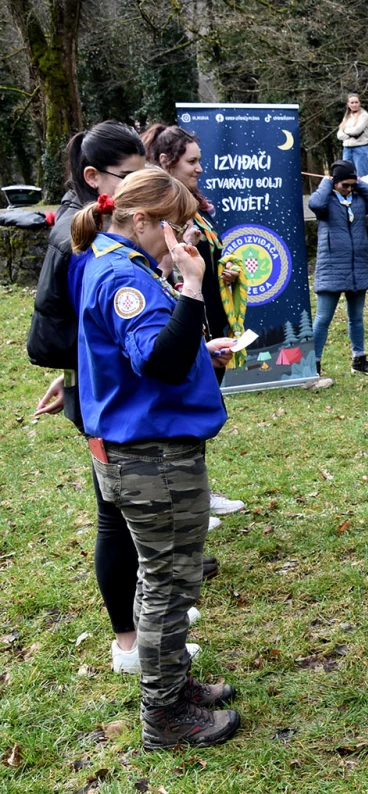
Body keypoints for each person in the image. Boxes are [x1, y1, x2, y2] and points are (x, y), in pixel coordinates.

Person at [70, 167, 241, 749]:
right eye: (175, 228)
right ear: (139, 219)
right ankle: (165, 715)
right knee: (169, 584)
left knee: (160, 578)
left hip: (142, 450)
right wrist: (192, 287)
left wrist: (198, 346)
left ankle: (174, 684)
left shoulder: (125, 264)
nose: (183, 241)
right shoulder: (124, 276)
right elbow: (158, 362)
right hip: (151, 459)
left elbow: (149, 354)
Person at [26, 122, 191, 675]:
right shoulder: (100, 255)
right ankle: (135, 648)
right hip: (125, 423)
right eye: (131, 176)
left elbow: (91, 334)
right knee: (123, 529)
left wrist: (79, 372)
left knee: (133, 532)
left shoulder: (105, 245)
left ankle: (146, 646)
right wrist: (187, 290)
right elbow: (121, 339)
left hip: (103, 397)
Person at [143, 123, 248, 521]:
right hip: (181, 321)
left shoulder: (195, 207)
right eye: (192, 161)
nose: (200, 168)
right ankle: (188, 502)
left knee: (201, 409)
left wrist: (224, 270)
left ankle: (199, 491)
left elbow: (206, 258)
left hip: (204, 320)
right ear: (167, 162)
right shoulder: (163, 215)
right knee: (181, 415)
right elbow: (160, 273)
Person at [309, 159, 368, 378]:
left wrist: (359, 182)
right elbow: (314, 204)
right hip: (331, 269)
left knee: (356, 317)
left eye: (352, 185)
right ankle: (312, 364)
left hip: (357, 269)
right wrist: (326, 183)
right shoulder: (325, 201)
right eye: (345, 185)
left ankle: (359, 359)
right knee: (323, 319)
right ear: (334, 183)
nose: (349, 189)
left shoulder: (359, 199)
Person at [336, 93, 368, 178]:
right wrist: (349, 134)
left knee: (361, 177)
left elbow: (356, 130)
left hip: (360, 149)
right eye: (352, 103)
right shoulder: (347, 117)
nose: (354, 104)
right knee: (348, 176)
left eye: (356, 102)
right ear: (348, 104)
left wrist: (345, 132)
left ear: (360, 103)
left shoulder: (364, 115)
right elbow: (339, 134)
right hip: (347, 149)